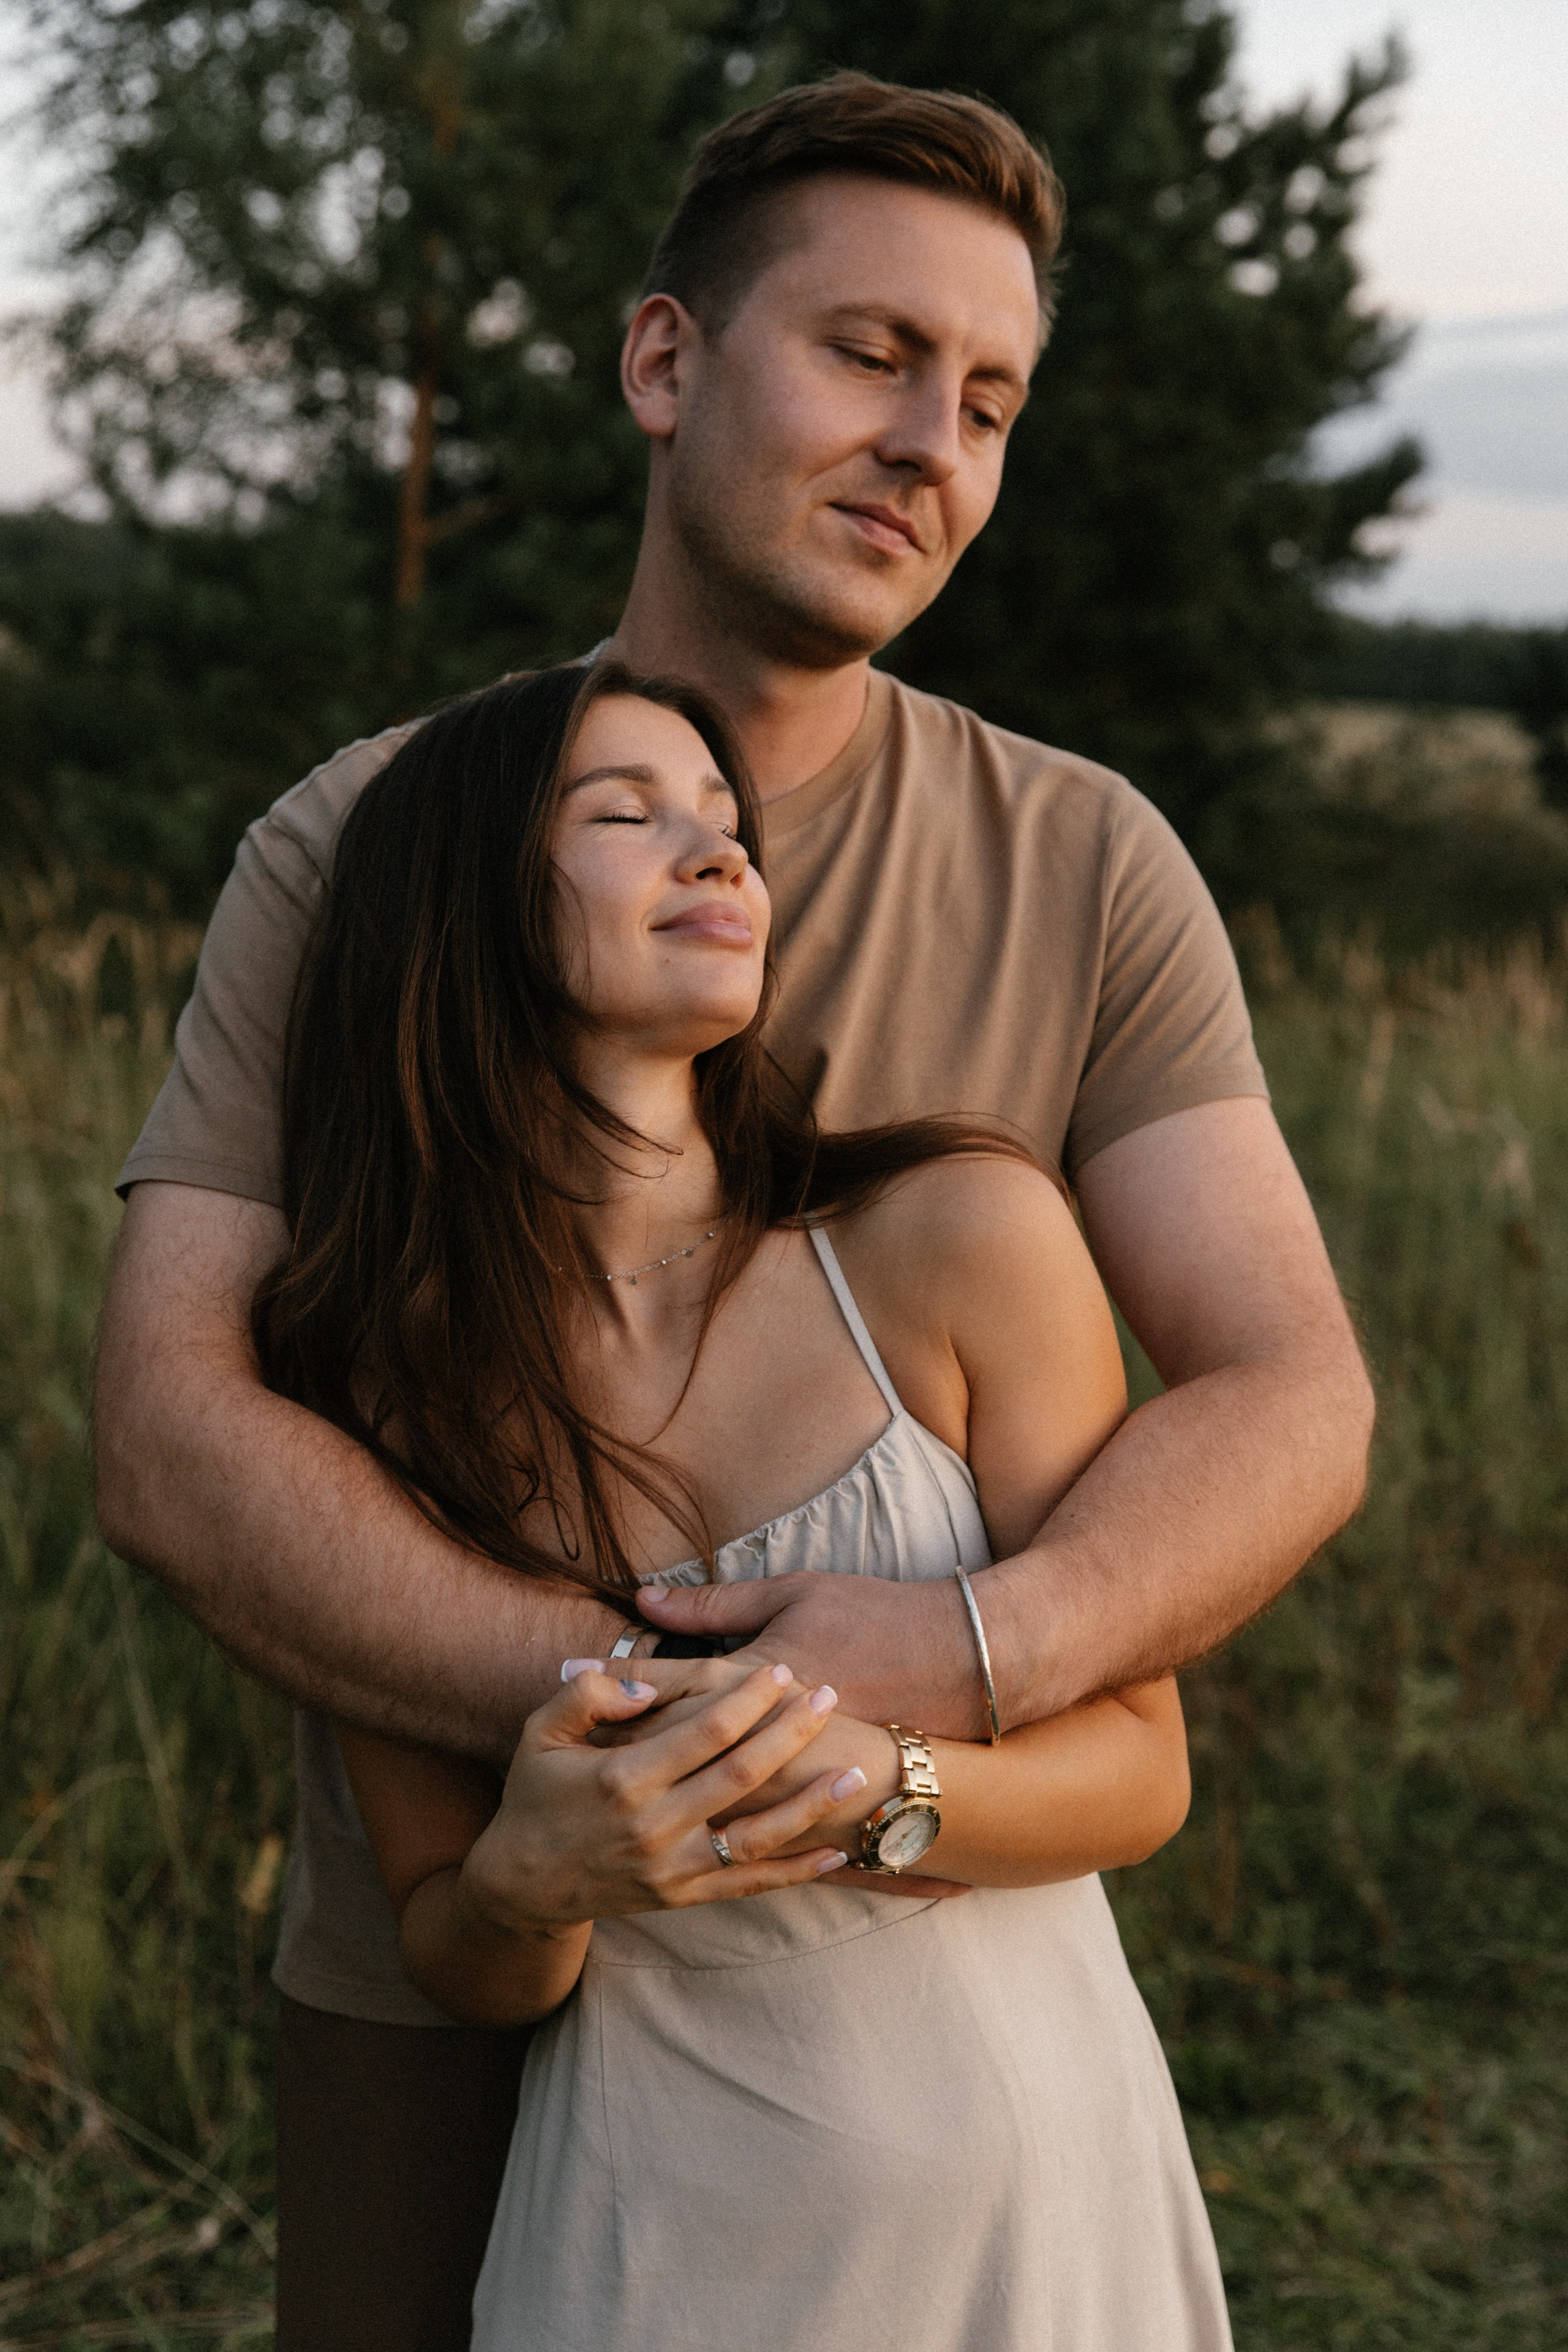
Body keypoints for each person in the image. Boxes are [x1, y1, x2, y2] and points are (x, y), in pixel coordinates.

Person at [93, 70, 1372, 2352]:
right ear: (665, 361)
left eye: (989, 399)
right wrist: (624, 1732)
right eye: (872, 353)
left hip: (917, 2014)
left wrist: (965, 1662)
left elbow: (1289, 1393)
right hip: (454, 1975)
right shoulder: (365, 850)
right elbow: (177, 1433)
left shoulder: (1085, 865)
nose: (934, 448)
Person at [265, 652, 1231, 2349]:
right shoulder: (382, 1392)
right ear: (457, 909)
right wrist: (528, 1882)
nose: (716, 856)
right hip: (652, 2242)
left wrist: (877, 1791)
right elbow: (457, 1948)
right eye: (624, 815)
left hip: (1034, 2206)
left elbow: (1142, 1772)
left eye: (725, 823)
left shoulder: (955, 1239)